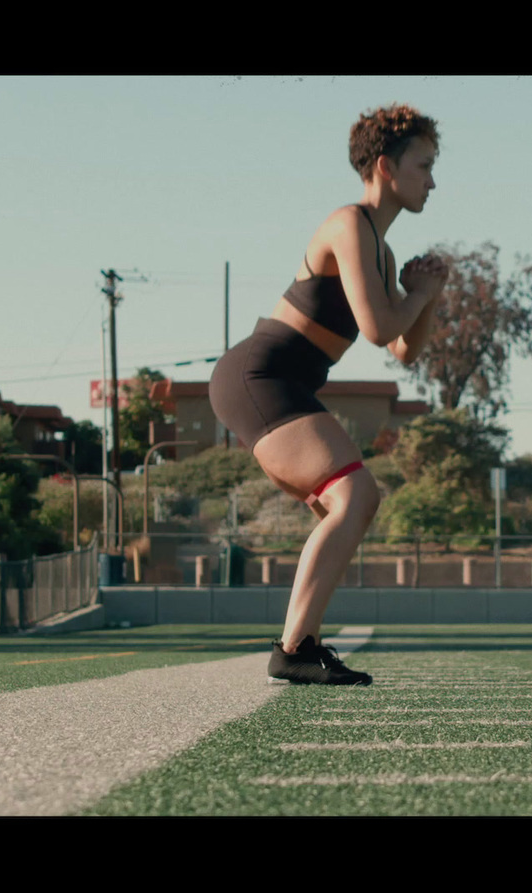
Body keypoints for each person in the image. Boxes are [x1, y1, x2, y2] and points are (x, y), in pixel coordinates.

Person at [209, 104, 447, 684]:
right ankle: (293, 649)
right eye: (425, 165)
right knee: (356, 495)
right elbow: (377, 326)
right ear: (387, 167)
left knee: (346, 508)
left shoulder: (382, 251)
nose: (433, 181)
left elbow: (404, 350)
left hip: (282, 383)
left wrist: (428, 296)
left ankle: (302, 645)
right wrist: (416, 298)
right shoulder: (348, 225)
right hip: (260, 376)